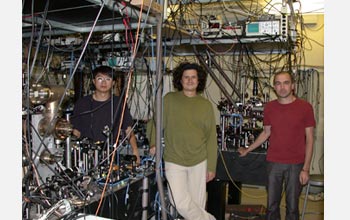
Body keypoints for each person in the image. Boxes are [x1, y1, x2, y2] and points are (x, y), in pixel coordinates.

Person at [238, 71, 316, 220]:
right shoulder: (270, 108)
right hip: (274, 163)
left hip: (296, 164)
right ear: (274, 87)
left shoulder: (305, 107)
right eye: (278, 83)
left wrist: (305, 168)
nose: (282, 87)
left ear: (293, 85)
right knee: (272, 206)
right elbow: (266, 133)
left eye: (286, 83)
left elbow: (310, 139)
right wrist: (248, 149)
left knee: (292, 207)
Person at [148, 62, 217, 220]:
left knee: (197, 204)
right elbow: (155, 123)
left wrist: (211, 166)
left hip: (199, 161)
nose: (190, 80)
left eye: (193, 77)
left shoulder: (205, 105)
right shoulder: (169, 100)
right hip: (174, 159)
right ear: (180, 80)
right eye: (186, 77)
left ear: (199, 81)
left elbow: (211, 138)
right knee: (179, 202)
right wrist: (154, 142)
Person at [71, 65, 140, 165]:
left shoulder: (118, 103)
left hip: (111, 155)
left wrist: (135, 151)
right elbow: (75, 131)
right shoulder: (82, 103)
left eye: (108, 79)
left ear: (113, 83)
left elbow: (128, 130)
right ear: (94, 81)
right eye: (100, 78)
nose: (103, 82)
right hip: (85, 157)